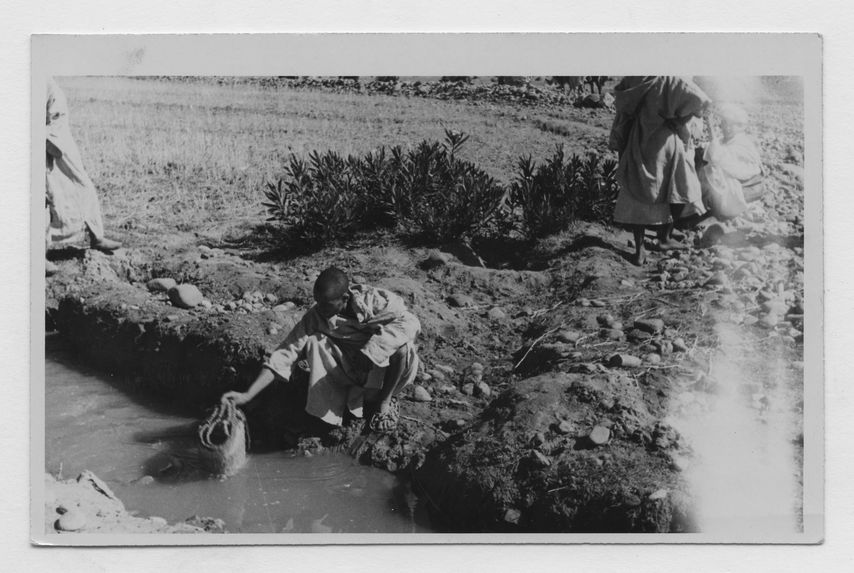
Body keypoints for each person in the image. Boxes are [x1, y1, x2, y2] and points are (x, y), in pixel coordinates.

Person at [221, 267, 421, 433]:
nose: (319, 308)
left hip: (386, 373)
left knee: (401, 347)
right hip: (354, 372)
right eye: (317, 302)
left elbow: (410, 323)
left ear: (345, 297)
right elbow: (284, 353)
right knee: (315, 341)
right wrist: (247, 394)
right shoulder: (316, 316)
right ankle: (330, 412)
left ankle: (384, 402)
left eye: (326, 304)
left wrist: (372, 351)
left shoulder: (378, 302)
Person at [608, 76, 711, 265]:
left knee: (636, 192)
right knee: (682, 186)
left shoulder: (634, 78)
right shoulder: (669, 77)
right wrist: (680, 120)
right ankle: (664, 237)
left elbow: (621, 104)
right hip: (665, 141)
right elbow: (701, 100)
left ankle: (640, 251)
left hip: (639, 137)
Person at [45, 78, 121, 275]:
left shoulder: (47, 82)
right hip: (37, 141)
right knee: (44, 197)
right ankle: (38, 254)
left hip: (56, 137)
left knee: (83, 184)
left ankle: (97, 236)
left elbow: (56, 117)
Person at [698, 103, 765, 220]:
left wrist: (710, 128)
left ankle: (720, 209)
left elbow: (717, 157)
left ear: (739, 127)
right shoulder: (726, 139)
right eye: (725, 124)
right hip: (735, 174)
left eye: (731, 125)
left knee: (713, 171)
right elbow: (712, 148)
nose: (726, 128)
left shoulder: (742, 142)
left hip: (744, 182)